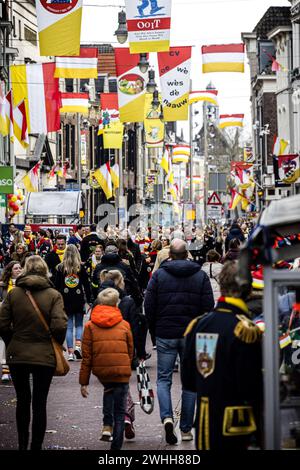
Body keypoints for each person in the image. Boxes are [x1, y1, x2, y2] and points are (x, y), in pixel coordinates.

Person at [182, 261, 263, 450]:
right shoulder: (245, 329)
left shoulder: (198, 324)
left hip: (205, 422)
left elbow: (189, 381)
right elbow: (250, 387)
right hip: (237, 424)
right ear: (247, 289)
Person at [144, 239, 214, 445]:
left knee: (163, 379)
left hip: (166, 333)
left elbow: (149, 306)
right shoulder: (200, 276)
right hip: (192, 336)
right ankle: (185, 429)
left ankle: (167, 417)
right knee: (190, 382)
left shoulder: (158, 276)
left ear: (169, 255)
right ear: (187, 254)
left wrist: (155, 331)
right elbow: (208, 307)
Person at [0, 255, 67, 450]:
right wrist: (55, 341)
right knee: (40, 402)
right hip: (44, 353)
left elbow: (2, 323)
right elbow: (60, 324)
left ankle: (22, 444)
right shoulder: (53, 294)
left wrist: (12, 340)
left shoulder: (14, 294)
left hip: (18, 353)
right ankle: (36, 446)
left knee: (22, 400)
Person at [79, 288, 134, 450]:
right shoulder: (124, 325)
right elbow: (130, 350)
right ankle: (115, 447)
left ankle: (106, 425)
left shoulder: (90, 326)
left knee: (108, 389)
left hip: (102, 370)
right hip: (121, 371)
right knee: (120, 410)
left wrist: (84, 382)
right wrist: (126, 364)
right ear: (117, 303)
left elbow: (86, 356)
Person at [54, 244, 91, 361]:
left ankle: (70, 353)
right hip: (78, 299)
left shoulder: (60, 268)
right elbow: (87, 285)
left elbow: (56, 285)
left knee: (69, 327)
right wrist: (89, 300)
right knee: (79, 325)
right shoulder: (80, 267)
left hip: (65, 300)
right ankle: (78, 347)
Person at [0, 261, 23, 383]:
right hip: (7, 319)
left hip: (20, 319)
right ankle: (5, 370)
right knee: (5, 344)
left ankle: (18, 368)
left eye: (20, 268)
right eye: (16, 268)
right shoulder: (3, 285)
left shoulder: (25, 284)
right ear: (10, 271)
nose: (19, 270)